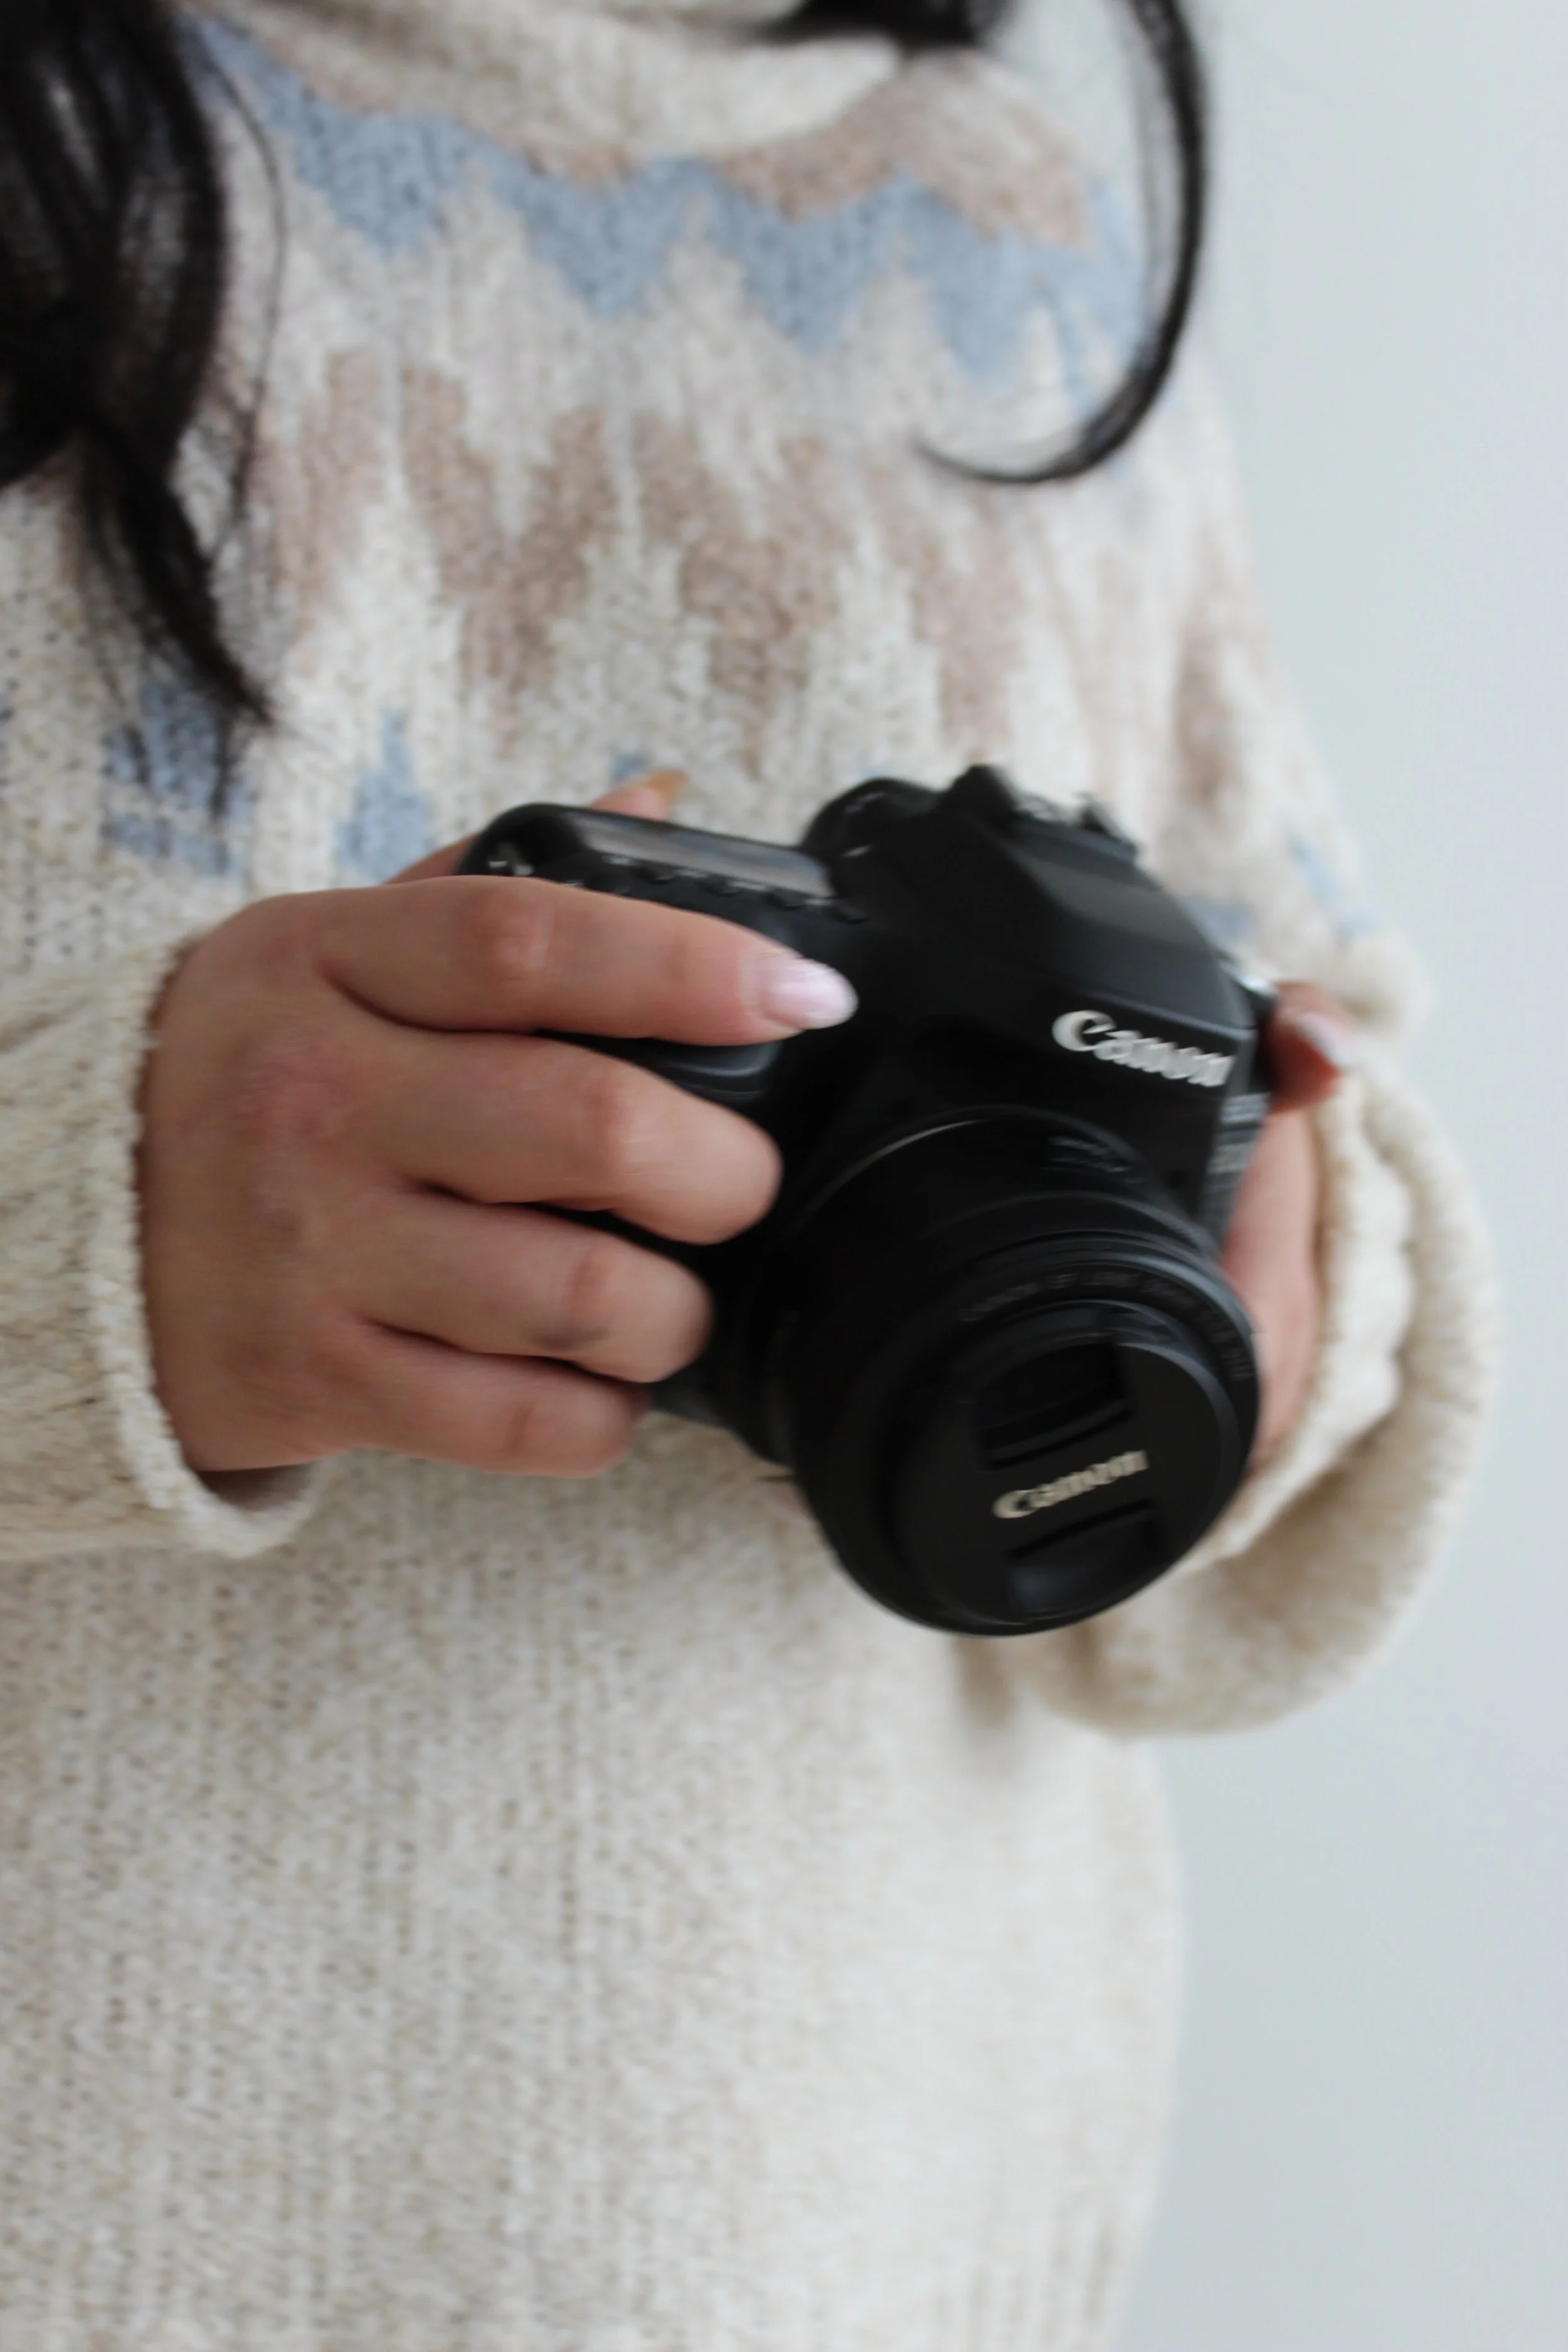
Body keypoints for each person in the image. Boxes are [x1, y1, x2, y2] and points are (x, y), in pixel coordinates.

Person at [0, 0, 1494, 2343]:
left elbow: (1307, 1075)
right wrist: (66, 1226)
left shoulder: (1012, 231)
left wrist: (1260, 1298)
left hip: (850, 2243)